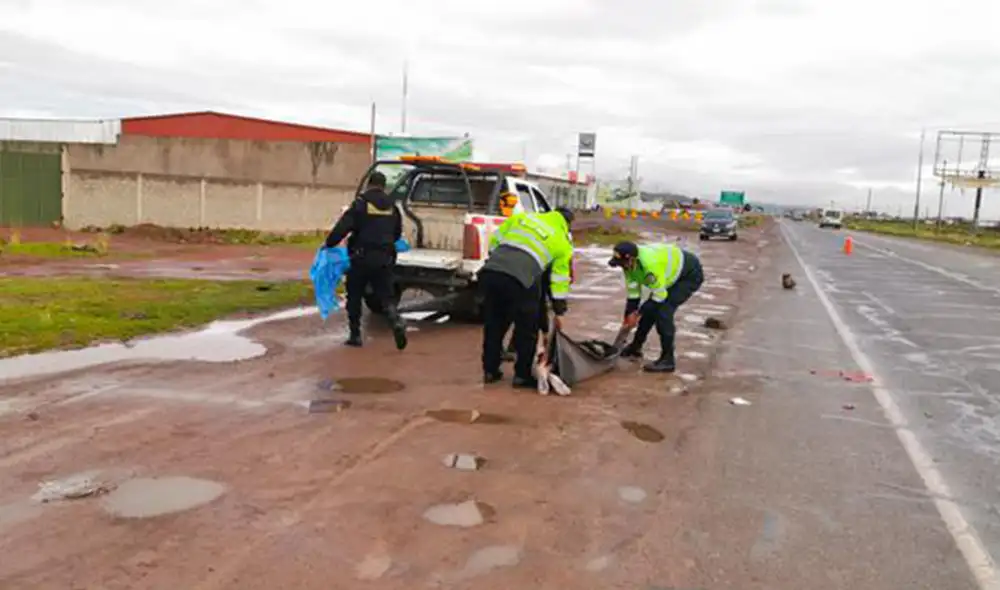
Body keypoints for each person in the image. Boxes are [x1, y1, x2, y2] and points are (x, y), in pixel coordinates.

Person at [480, 207, 575, 388]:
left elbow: (495, 240)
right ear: (567, 224)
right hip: (522, 278)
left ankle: (490, 371)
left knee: (494, 324)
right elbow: (559, 279)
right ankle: (521, 376)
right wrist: (559, 310)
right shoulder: (562, 241)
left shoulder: (523, 218)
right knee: (527, 328)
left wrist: (499, 262)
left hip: (492, 271)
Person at [324, 171, 407, 350]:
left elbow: (343, 226)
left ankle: (355, 335)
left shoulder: (360, 203)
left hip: (361, 258)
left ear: (369, 184)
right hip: (385, 258)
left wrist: (330, 243)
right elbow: (397, 232)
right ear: (384, 186)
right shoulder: (393, 206)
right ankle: (395, 319)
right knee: (386, 295)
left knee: (354, 295)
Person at [608, 240, 704, 373]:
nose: (622, 268)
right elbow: (633, 295)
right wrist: (628, 316)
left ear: (631, 259)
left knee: (663, 312)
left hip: (688, 274)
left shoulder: (650, 265)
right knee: (650, 309)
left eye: (622, 264)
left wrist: (638, 314)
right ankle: (635, 348)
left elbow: (660, 296)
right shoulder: (629, 266)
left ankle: (668, 360)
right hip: (668, 276)